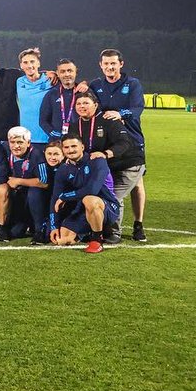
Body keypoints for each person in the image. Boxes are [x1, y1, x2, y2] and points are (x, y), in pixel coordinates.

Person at [88, 48, 148, 240]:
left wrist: (120, 114)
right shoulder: (95, 85)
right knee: (113, 180)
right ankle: (112, 226)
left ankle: (138, 224)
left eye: (113, 63)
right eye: (106, 64)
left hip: (132, 139)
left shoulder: (132, 84)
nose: (110, 67)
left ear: (121, 64)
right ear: (100, 65)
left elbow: (138, 108)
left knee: (137, 183)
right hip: (108, 141)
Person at [69, 91, 143, 244]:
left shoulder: (108, 119)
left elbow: (125, 143)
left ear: (95, 105)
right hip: (105, 168)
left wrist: (106, 154)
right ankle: (96, 228)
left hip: (127, 165)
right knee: (97, 194)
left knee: (112, 196)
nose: (82, 106)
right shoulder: (75, 125)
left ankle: (114, 232)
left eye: (86, 103)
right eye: (79, 104)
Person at [49, 134, 120, 253]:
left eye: (74, 146)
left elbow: (92, 190)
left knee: (89, 199)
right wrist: (54, 226)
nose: (70, 150)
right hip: (81, 208)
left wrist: (65, 197)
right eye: (66, 147)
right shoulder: (63, 169)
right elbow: (55, 197)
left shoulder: (97, 161)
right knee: (63, 240)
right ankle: (87, 232)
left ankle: (97, 239)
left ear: (82, 147)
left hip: (107, 206)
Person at [3, 126, 50, 244]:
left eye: (20, 142)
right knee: (15, 233)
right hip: (19, 198)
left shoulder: (37, 155)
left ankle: (40, 229)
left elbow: (44, 182)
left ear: (28, 143)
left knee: (34, 191)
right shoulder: (4, 151)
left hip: (37, 198)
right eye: (12, 142)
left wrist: (19, 181)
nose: (16, 146)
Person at [15, 48, 52, 154]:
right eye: (25, 62)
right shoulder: (19, 82)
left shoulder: (51, 80)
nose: (29, 65)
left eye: (32, 61)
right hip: (27, 139)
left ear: (38, 63)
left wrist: (84, 84)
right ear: (21, 66)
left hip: (47, 137)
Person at [38, 59, 79, 143]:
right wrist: (54, 134)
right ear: (58, 74)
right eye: (63, 71)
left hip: (79, 141)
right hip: (57, 142)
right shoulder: (51, 94)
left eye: (70, 71)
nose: (67, 74)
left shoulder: (83, 92)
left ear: (76, 72)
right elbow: (43, 120)